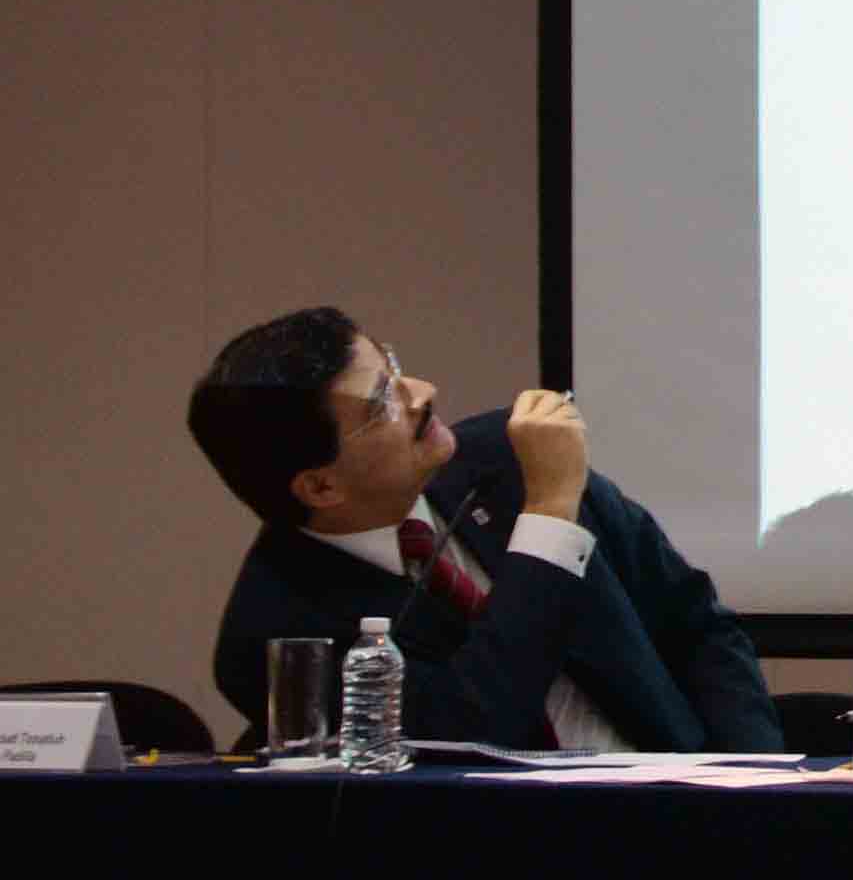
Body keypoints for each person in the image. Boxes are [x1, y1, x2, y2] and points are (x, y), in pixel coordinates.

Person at [187, 305, 781, 752]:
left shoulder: (506, 457)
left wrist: (756, 786)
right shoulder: (277, 638)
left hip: (679, 810)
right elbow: (474, 731)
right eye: (382, 403)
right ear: (321, 487)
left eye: (394, 369)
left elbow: (697, 625)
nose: (422, 394)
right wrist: (549, 517)